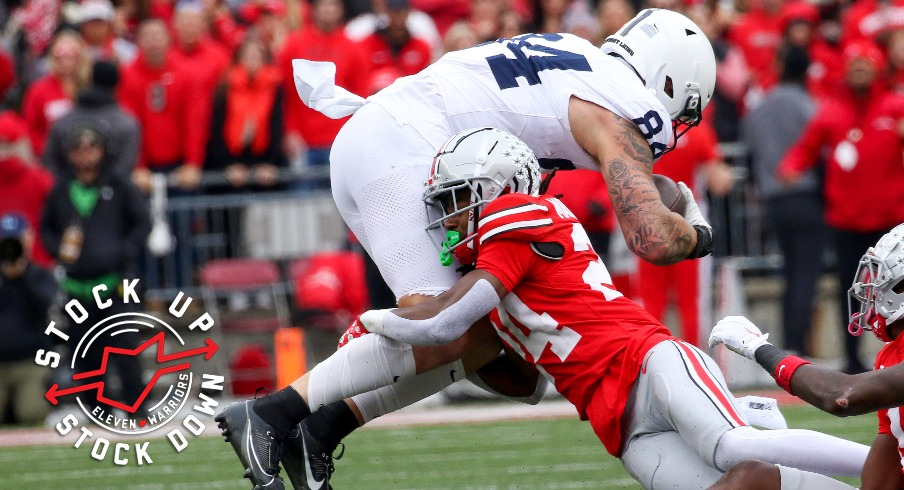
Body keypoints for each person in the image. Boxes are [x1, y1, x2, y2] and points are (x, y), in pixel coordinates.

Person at [228, 8, 721, 489]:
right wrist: (699, 236)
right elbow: (651, 238)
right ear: (670, 82)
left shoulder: (581, 60)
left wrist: (676, 198)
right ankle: (273, 413)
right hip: (402, 149)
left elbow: (642, 184)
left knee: (499, 345)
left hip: (386, 139)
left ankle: (319, 430)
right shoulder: (623, 104)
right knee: (449, 328)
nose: (678, 122)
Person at [217, 128, 870, 490]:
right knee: (743, 481)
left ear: (497, 189)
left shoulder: (517, 214)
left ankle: (878, 472)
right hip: (615, 420)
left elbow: (445, 323)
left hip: (646, 362)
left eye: (458, 197)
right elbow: (517, 375)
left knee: (733, 446)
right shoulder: (497, 265)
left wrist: (377, 321)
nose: (448, 215)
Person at [708, 222, 904, 490]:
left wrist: (759, 349)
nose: (871, 291)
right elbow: (881, 478)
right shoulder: (892, 354)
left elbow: (843, 396)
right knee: (751, 477)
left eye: (883, 281)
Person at [776, 39, 904, 373]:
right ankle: (852, 357)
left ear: (877, 67)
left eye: (866, 63)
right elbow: (806, 147)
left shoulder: (895, 106)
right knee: (853, 291)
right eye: (854, 63)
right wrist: (790, 166)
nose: (860, 69)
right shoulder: (831, 111)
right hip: (846, 221)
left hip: (890, 226)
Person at [40, 123, 151, 419]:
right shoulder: (62, 189)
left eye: (91, 148)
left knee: (125, 346)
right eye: (78, 149)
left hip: (115, 282)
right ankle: (96, 411)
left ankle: (136, 408)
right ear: (69, 155)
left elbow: (142, 222)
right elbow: (47, 228)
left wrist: (125, 250)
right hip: (77, 286)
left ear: (102, 151)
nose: (85, 155)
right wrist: (57, 251)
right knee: (85, 353)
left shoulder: (118, 184)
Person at [740, 43, 825, 357]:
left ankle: (789, 343)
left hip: (773, 201)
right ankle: (798, 346)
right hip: (805, 197)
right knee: (806, 274)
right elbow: (821, 150)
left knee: (790, 274)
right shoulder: (807, 104)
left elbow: (747, 157)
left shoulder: (760, 106)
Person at [0, 213, 57, 425]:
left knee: (32, 414)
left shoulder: (39, 275)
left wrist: (22, 277)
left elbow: (44, 305)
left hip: (30, 362)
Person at [44, 60, 140, 180]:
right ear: (117, 85)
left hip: (67, 192)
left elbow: (50, 164)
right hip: (111, 194)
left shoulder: (62, 122)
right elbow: (125, 169)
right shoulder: (126, 124)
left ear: (89, 81)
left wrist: (66, 191)